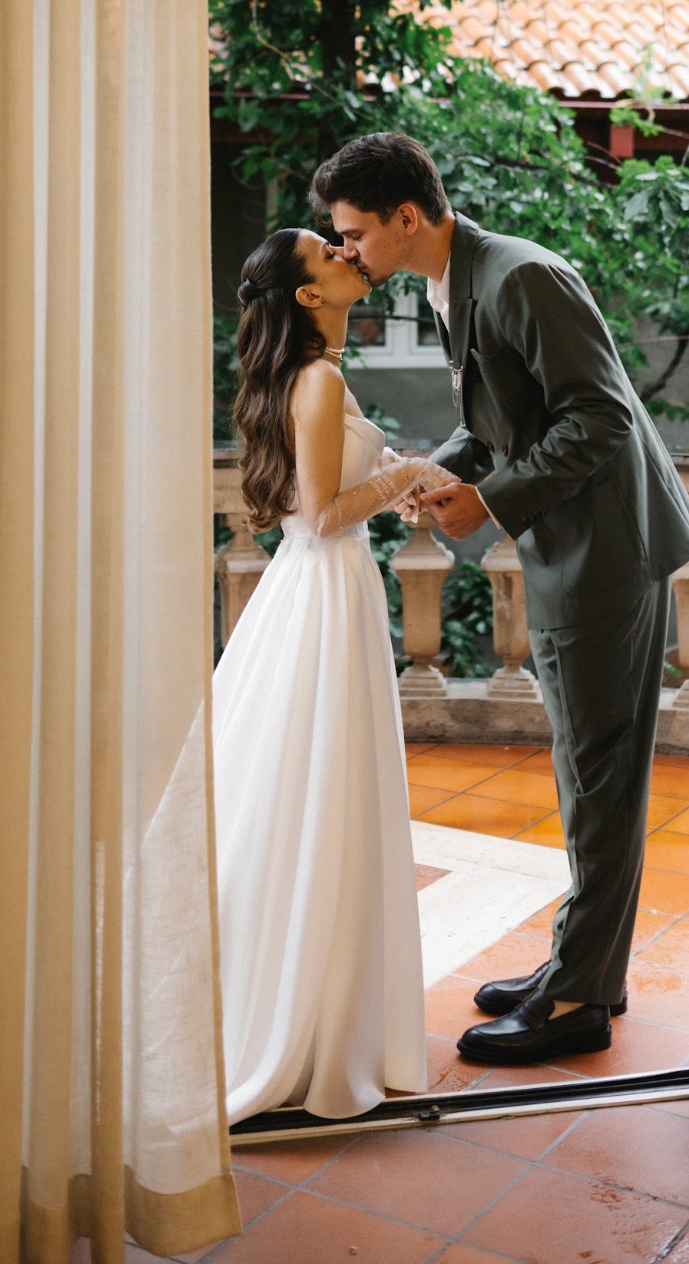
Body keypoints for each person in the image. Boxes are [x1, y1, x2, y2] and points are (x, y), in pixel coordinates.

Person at [310, 133, 689, 1067]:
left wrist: (488, 501)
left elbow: (602, 417)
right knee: (584, 771)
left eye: (354, 232)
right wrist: (434, 472)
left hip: (608, 551)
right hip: (573, 546)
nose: (345, 250)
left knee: (599, 779)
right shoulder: (456, 283)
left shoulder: (520, 277)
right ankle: (584, 966)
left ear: (408, 217)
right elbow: (501, 422)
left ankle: (577, 998)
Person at [213, 226, 457, 1120]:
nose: (349, 255)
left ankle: (319, 1000)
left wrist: (393, 474)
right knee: (321, 788)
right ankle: (303, 1015)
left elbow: (333, 485)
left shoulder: (320, 376)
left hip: (328, 589)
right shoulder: (315, 379)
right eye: (329, 251)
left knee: (314, 789)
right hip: (322, 588)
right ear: (309, 296)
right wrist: (413, 469)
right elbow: (317, 515)